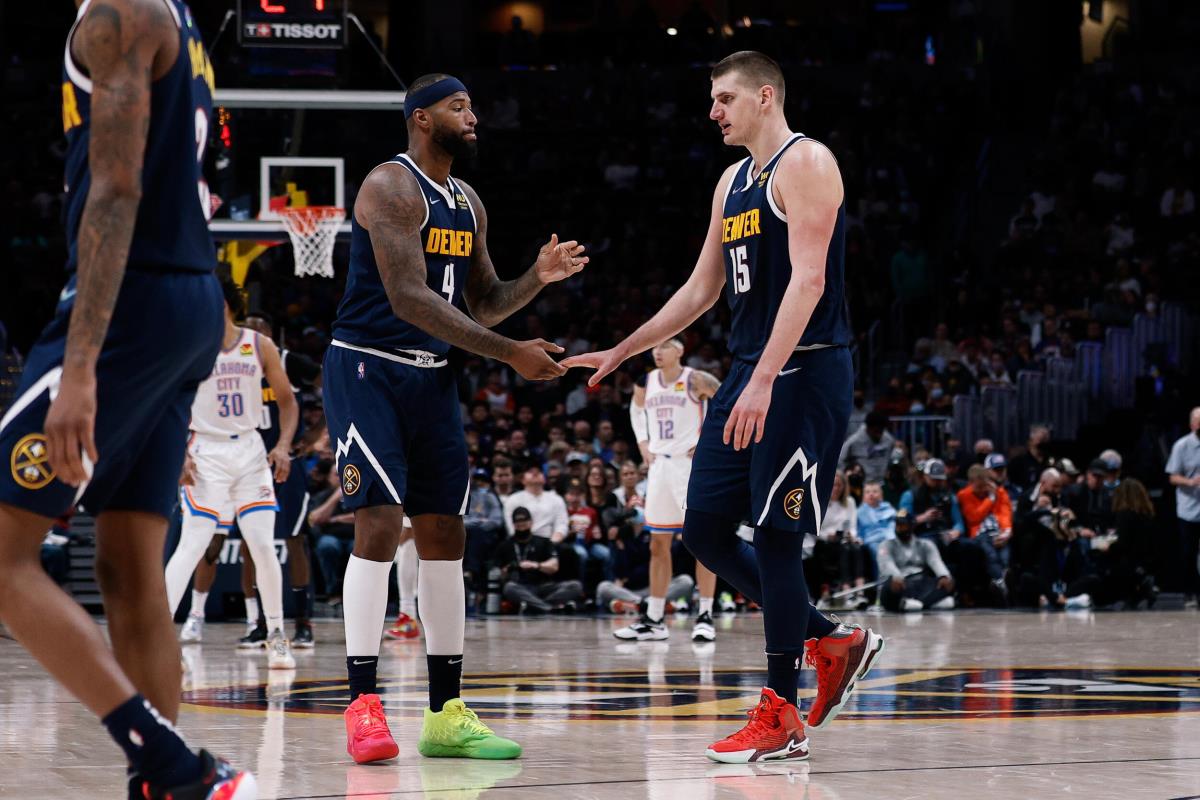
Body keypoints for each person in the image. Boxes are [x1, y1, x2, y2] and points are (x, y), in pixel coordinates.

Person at [564, 51, 883, 764]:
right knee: (704, 530)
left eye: (725, 98)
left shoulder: (808, 163)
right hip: (750, 370)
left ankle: (782, 713)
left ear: (765, 96)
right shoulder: (732, 182)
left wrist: (766, 378)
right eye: (712, 100)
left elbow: (807, 282)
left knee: (775, 537)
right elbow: (700, 289)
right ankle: (831, 638)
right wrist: (624, 349)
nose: (713, 112)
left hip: (803, 371)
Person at [0, 0, 253, 795]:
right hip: (188, 302)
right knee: (129, 565)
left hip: (130, 306)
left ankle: (176, 768)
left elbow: (115, 188)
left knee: (2, 554)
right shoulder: (174, 17)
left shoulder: (120, 12)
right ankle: (163, 787)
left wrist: (80, 367)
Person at [322, 72, 586, 764]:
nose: (472, 117)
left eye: (472, 106)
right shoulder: (389, 186)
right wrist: (509, 354)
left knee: (445, 534)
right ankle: (363, 704)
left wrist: (536, 278)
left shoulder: (468, 202)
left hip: (432, 377)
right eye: (457, 107)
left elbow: (486, 301)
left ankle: (445, 714)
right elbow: (409, 298)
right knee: (380, 523)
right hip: (368, 368)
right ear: (421, 118)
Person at [163, 278, 298, 669]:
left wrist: (282, 446)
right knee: (193, 544)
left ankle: (276, 635)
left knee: (263, 545)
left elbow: (288, 403)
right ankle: (160, 639)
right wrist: (179, 454)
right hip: (205, 451)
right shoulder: (189, 346)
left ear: (221, 303)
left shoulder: (259, 344)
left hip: (250, 451)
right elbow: (168, 405)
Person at [617, 339, 721, 643]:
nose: (657, 351)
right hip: (660, 467)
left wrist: (710, 440)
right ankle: (654, 619)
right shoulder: (645, 382)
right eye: (654, 347)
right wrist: (642, 442)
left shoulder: (696, 379)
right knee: (657, 545)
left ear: (680, 350)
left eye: (665, 346)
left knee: (703, 543)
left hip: (690, 468)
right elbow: (636, 410)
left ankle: (705, 615)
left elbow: (728, 402)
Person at [236, 311, 321, 649]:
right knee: (250, 546)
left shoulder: (289, 362)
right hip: (247, 465)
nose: (253, 339)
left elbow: (336, 386)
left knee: (295, 540)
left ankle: (303, 622)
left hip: (287, 465)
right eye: (247, 332)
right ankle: (259, 623)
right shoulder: (233, 365)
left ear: (271, 335)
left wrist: (316, 433)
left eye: (259, 332)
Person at [494, 507, 583, 613]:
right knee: (509, 588)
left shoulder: (543, 542)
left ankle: (536, 606)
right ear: (513, 524)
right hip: (522, 587)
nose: (521, 524)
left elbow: (554, 566)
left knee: (575, 586)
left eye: (524, 521)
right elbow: (499, 573)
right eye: (518, 522)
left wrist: (536, 565)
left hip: (544, 586)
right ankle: (549, 608)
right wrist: (511, 567)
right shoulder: (505, 545)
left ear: (531, 522)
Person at [877, 511, 955, 612]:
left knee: (948, 580)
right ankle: (928, 603)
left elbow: (936, 562)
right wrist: (897, 576)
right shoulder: (886, 545)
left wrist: (943, 575)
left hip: (921, 583)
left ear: (911, 526)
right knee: (890, 586)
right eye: (897, 525)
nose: (899, 528)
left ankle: (913, 604)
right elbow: (887, 564)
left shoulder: (925, 544)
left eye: (903, 525)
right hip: (901, 582)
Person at [812, 471, 867, 610]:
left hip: (844, 540)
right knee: (844, 549)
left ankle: (859, 592)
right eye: (833, 485)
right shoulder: (819, 501)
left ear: (844, 486)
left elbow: (852, 526)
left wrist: (851, 535)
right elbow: (815, 529)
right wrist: (827, 535)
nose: (836, 488)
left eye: (839, 485)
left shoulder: (850, 502)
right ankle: (847, 592)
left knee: (856, 548)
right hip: (825, 542)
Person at [1166, 408, 1200, 608]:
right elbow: (1172, 476)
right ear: (1192, 424)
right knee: (1189, 553)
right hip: (1188, 509)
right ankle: (1190, 593)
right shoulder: (1182, 446)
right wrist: (1191, 482)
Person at [838, 410, 895, 483]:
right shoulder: (854, 441)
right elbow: (840, 459)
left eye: (881, 431)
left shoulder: (888, 439)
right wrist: (849, 476)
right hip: (863, 483)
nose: (879, 435)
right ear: (868, 428)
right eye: (876, 431)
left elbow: (892, 456)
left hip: (882, 482)